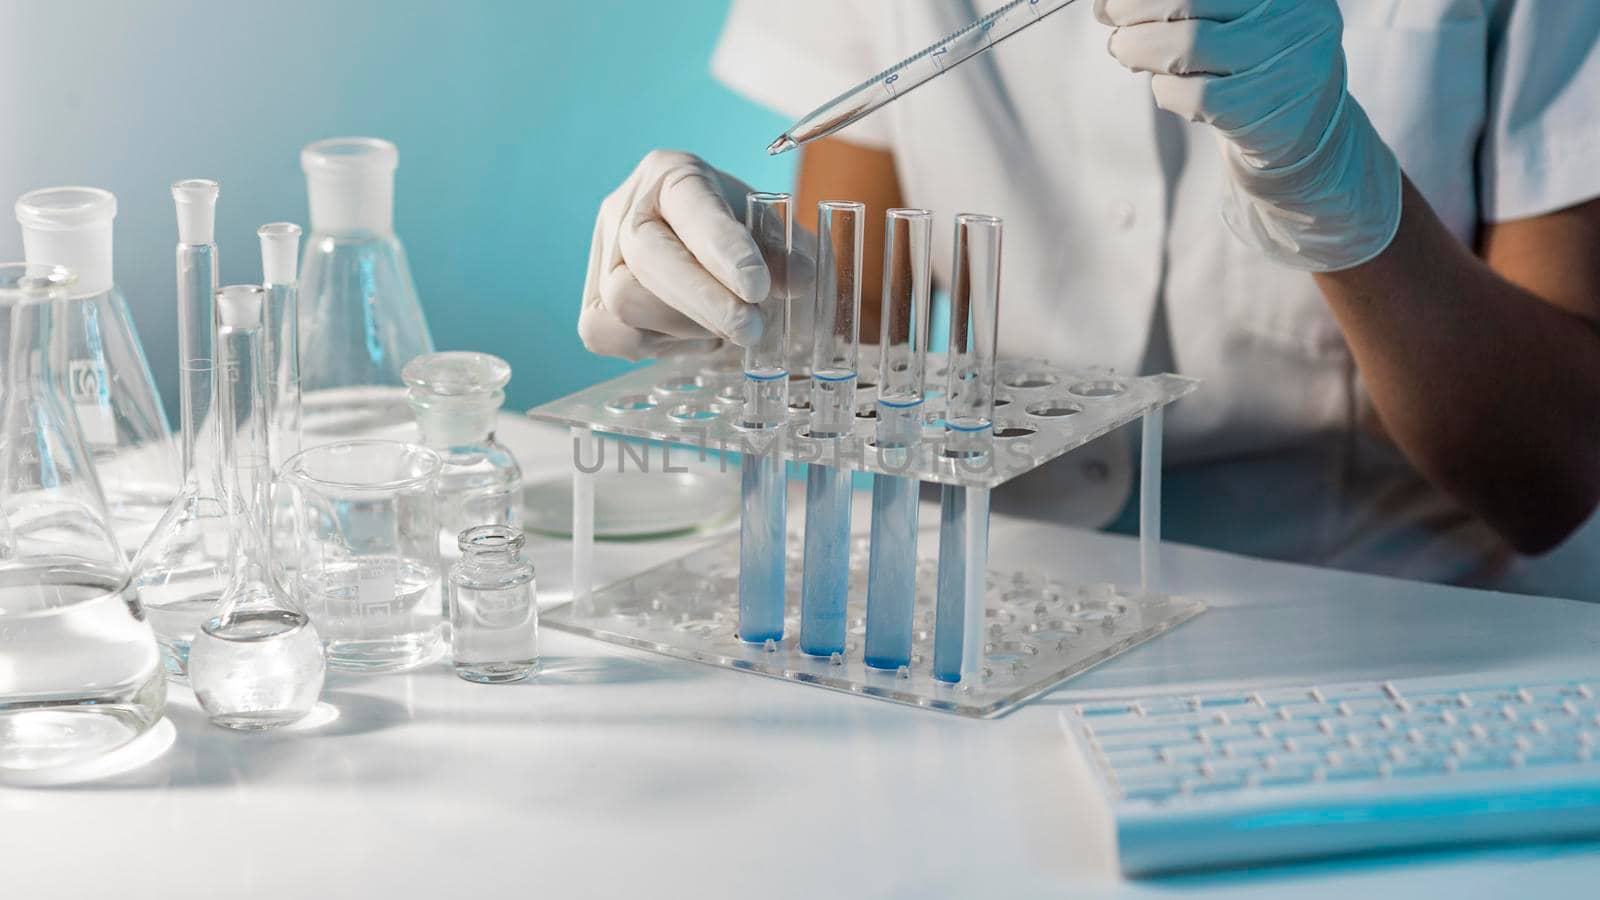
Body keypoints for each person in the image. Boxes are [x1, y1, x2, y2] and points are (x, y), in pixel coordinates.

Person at [578, 0, 1600, 598]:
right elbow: (855, 350)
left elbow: (1547, 480)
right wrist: (744, 303)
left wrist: (1328, 173)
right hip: (982, 603)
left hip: (1361, 614)